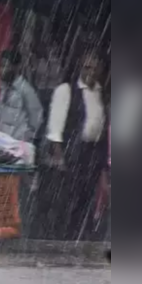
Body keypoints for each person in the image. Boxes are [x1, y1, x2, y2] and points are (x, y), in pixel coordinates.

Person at [45, 50, 109, 241]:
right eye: (87, 67)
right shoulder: (66, 91)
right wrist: (60, 158)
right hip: (73, 153)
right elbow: (55, 129)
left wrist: (103, 163)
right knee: (69, 201)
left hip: (93, 153)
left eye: (94, 67)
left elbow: (103, 126)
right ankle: (65, 238)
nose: (91, 71)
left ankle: (81, 239)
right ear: (80, 67)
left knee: (87, 199)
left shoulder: (100, 93)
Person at [0, 50, 45, 241]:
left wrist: (25, 141)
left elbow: (37, 119)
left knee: (15, 191)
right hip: (3, 147)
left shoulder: (25, 90)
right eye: (2, 65)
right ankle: (2, 229)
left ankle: (15, 230)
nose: (3, 69)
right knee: (2, 188)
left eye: (7, 65)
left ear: (16, 67)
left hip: (18, 149)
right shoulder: (4, 88)